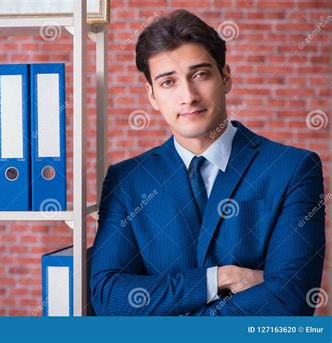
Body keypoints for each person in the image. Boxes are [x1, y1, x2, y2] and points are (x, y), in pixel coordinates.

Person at [90, 9, 325, 316]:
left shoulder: (293, 168)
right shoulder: (127, 180)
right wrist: (217, 278)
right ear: (151, 95)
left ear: (225, 77)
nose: (188, 96)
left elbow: (291, 299)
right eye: (168, 82)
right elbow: (108, 296)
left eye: (200, 75)